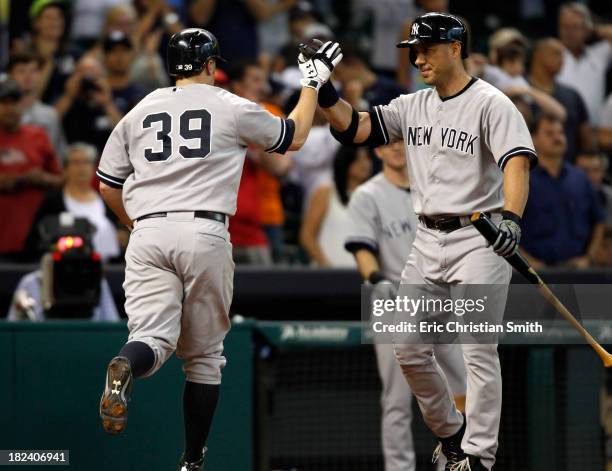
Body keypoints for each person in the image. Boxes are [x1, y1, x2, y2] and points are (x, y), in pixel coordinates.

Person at [95, 28, 342, 471]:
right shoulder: (229, 104)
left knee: (150, 337)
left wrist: (136, 225)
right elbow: (296, 136)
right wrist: (311, 82)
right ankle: (192, 460)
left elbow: (108, 184)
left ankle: (125, 365)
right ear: (211, 65)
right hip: (205, 231)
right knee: (205, 358)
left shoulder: (140, 109)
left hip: (148, 231)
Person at [316, 13, 536, 470]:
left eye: (426, 49)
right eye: (414, 51)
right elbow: (357, 128)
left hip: (478, 235)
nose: (417, 58)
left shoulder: (492, 103)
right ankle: (452, 432)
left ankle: (479, 455)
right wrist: (324, 92)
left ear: (456, 47)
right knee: (407, 346)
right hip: (427, 237)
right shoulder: (413, 104)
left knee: (477, 347)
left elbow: (517, 162)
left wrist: (512, 218)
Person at [345, 141, 466, 471]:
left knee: (460, 390)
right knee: (397, 399)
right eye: (388, 143)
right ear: (377, 152)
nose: (396, 148)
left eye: (402, 142)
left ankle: (454, 464)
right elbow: (361, 247)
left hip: (439, 297)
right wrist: (374, 278)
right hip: (392, 296)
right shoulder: (368, 194)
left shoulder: (433, 190)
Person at [521, 114, 605, 268]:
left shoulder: (580, 178)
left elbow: (598, 221)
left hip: (577, 271)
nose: (557, 138)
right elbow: (506, 226)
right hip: (536, 273)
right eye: (549, 133)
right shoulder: (523, 180)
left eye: (560, 132)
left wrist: (589, 257)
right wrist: (527, 262)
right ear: (534, 139)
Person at [24, 143, 122, 262]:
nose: (81, 168)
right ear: (65, 169)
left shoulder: (107, 200)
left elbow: (120, 232)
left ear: (94, 168)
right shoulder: (52, 203)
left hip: (108, 269)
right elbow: (35, 241)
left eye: (86, 162)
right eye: (75, 162)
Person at [0, 78, 63, 262]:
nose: (10, 108)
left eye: (15, 102)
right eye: (4, 102)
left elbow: (60, 180)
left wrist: (42, 178)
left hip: (36, 235)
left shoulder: (37, 135)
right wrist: (23, 179)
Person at [300, 146, 372, 267]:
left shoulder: (372, 197)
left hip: (364, 275)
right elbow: (307, 236)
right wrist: (326, 266)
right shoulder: (325, 193)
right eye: (358, 159)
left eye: (367, 158)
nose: (364, 164)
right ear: (346, 162)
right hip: (328, 276)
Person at [528, 37, 594, 161]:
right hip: (530, 170)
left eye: (563, 55)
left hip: (568, 170)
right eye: (556, 53)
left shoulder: (572, 95)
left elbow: (587, 140)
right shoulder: (519, 88)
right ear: (538, 56)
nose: (562, 60)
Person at [556, 3, 612, 125]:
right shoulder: (554, 55)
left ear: (587, 29)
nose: (569, 32)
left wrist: (596, 29)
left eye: (575, 27)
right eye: (565, 26)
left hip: (596, 131)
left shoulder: (598, 55)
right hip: (564, 129)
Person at [55, 55, 124, 152]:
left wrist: (107, 104)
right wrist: (69, 96)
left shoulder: (113, 101)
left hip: (104, 160)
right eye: (82, 73)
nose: (88, 79)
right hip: (72, 159)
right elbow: (51, 122)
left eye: (93, 74)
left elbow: (124, 133)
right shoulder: (67, 99)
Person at [7, 52, 68, 161]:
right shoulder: (3, 114)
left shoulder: (50, 115)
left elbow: (58, 155)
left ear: (40, 75)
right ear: (10, 75)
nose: (28, 76)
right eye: (21, 71)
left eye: (33, 71)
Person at [575, 152, 612, 224]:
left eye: (596, 170)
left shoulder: (610, 196)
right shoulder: (564, 196)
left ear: (603, 172)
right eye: (584, 170)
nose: (590, 175)